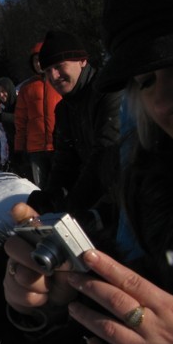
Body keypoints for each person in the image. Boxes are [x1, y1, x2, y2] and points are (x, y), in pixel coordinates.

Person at [0, 0, 173, 344]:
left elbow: (98, 161)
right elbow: (72, 158)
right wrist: (48, 312)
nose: (165, 100)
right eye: (147, 78)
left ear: (84, 61)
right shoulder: (149, 183)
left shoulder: (110, 108)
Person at [27, 30, 122, 234]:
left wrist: (74, 205)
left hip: (124, 201)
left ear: (82, 61)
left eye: (60, 66)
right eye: (48, 70)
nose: (53, 76)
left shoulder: (109, 93)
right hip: (97, 202)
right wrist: (50, 198)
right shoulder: (64, 109)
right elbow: (65, 162)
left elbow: (106, 153)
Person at [14, 42, 62, 189]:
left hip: (59, 146)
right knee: (41, 189)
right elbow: (20, 122)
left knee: (62, 187)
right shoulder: (26, 88)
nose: (39, 63)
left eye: (42, 58)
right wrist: (18, 149)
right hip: (36, 149)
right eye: (35, 60)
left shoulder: (61, 82)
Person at [0, 77, 25, 177]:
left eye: (3, 91)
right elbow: (8, 137)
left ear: (9, 89)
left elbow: (22, 118)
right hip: (16, 151)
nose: (1, 95)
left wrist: (2, 117)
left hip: (29, 150)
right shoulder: (4, 108)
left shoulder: (21, 101)